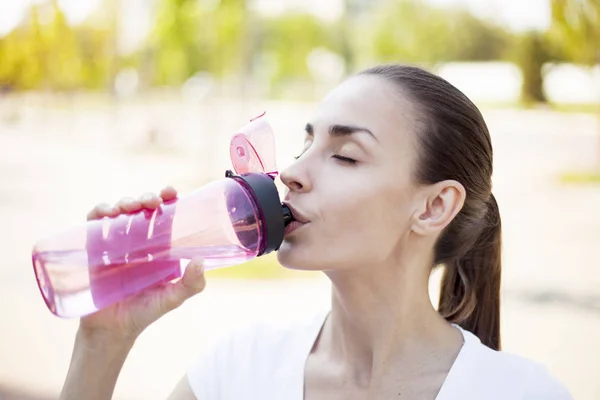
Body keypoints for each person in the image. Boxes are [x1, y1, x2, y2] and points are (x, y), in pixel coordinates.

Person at [59, 64, 572, 400]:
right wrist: (103, 342)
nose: (291, 172)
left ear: (434, 205)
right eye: (306, 145)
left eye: (345, 156)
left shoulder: (519, 392)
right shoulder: (238, 371)